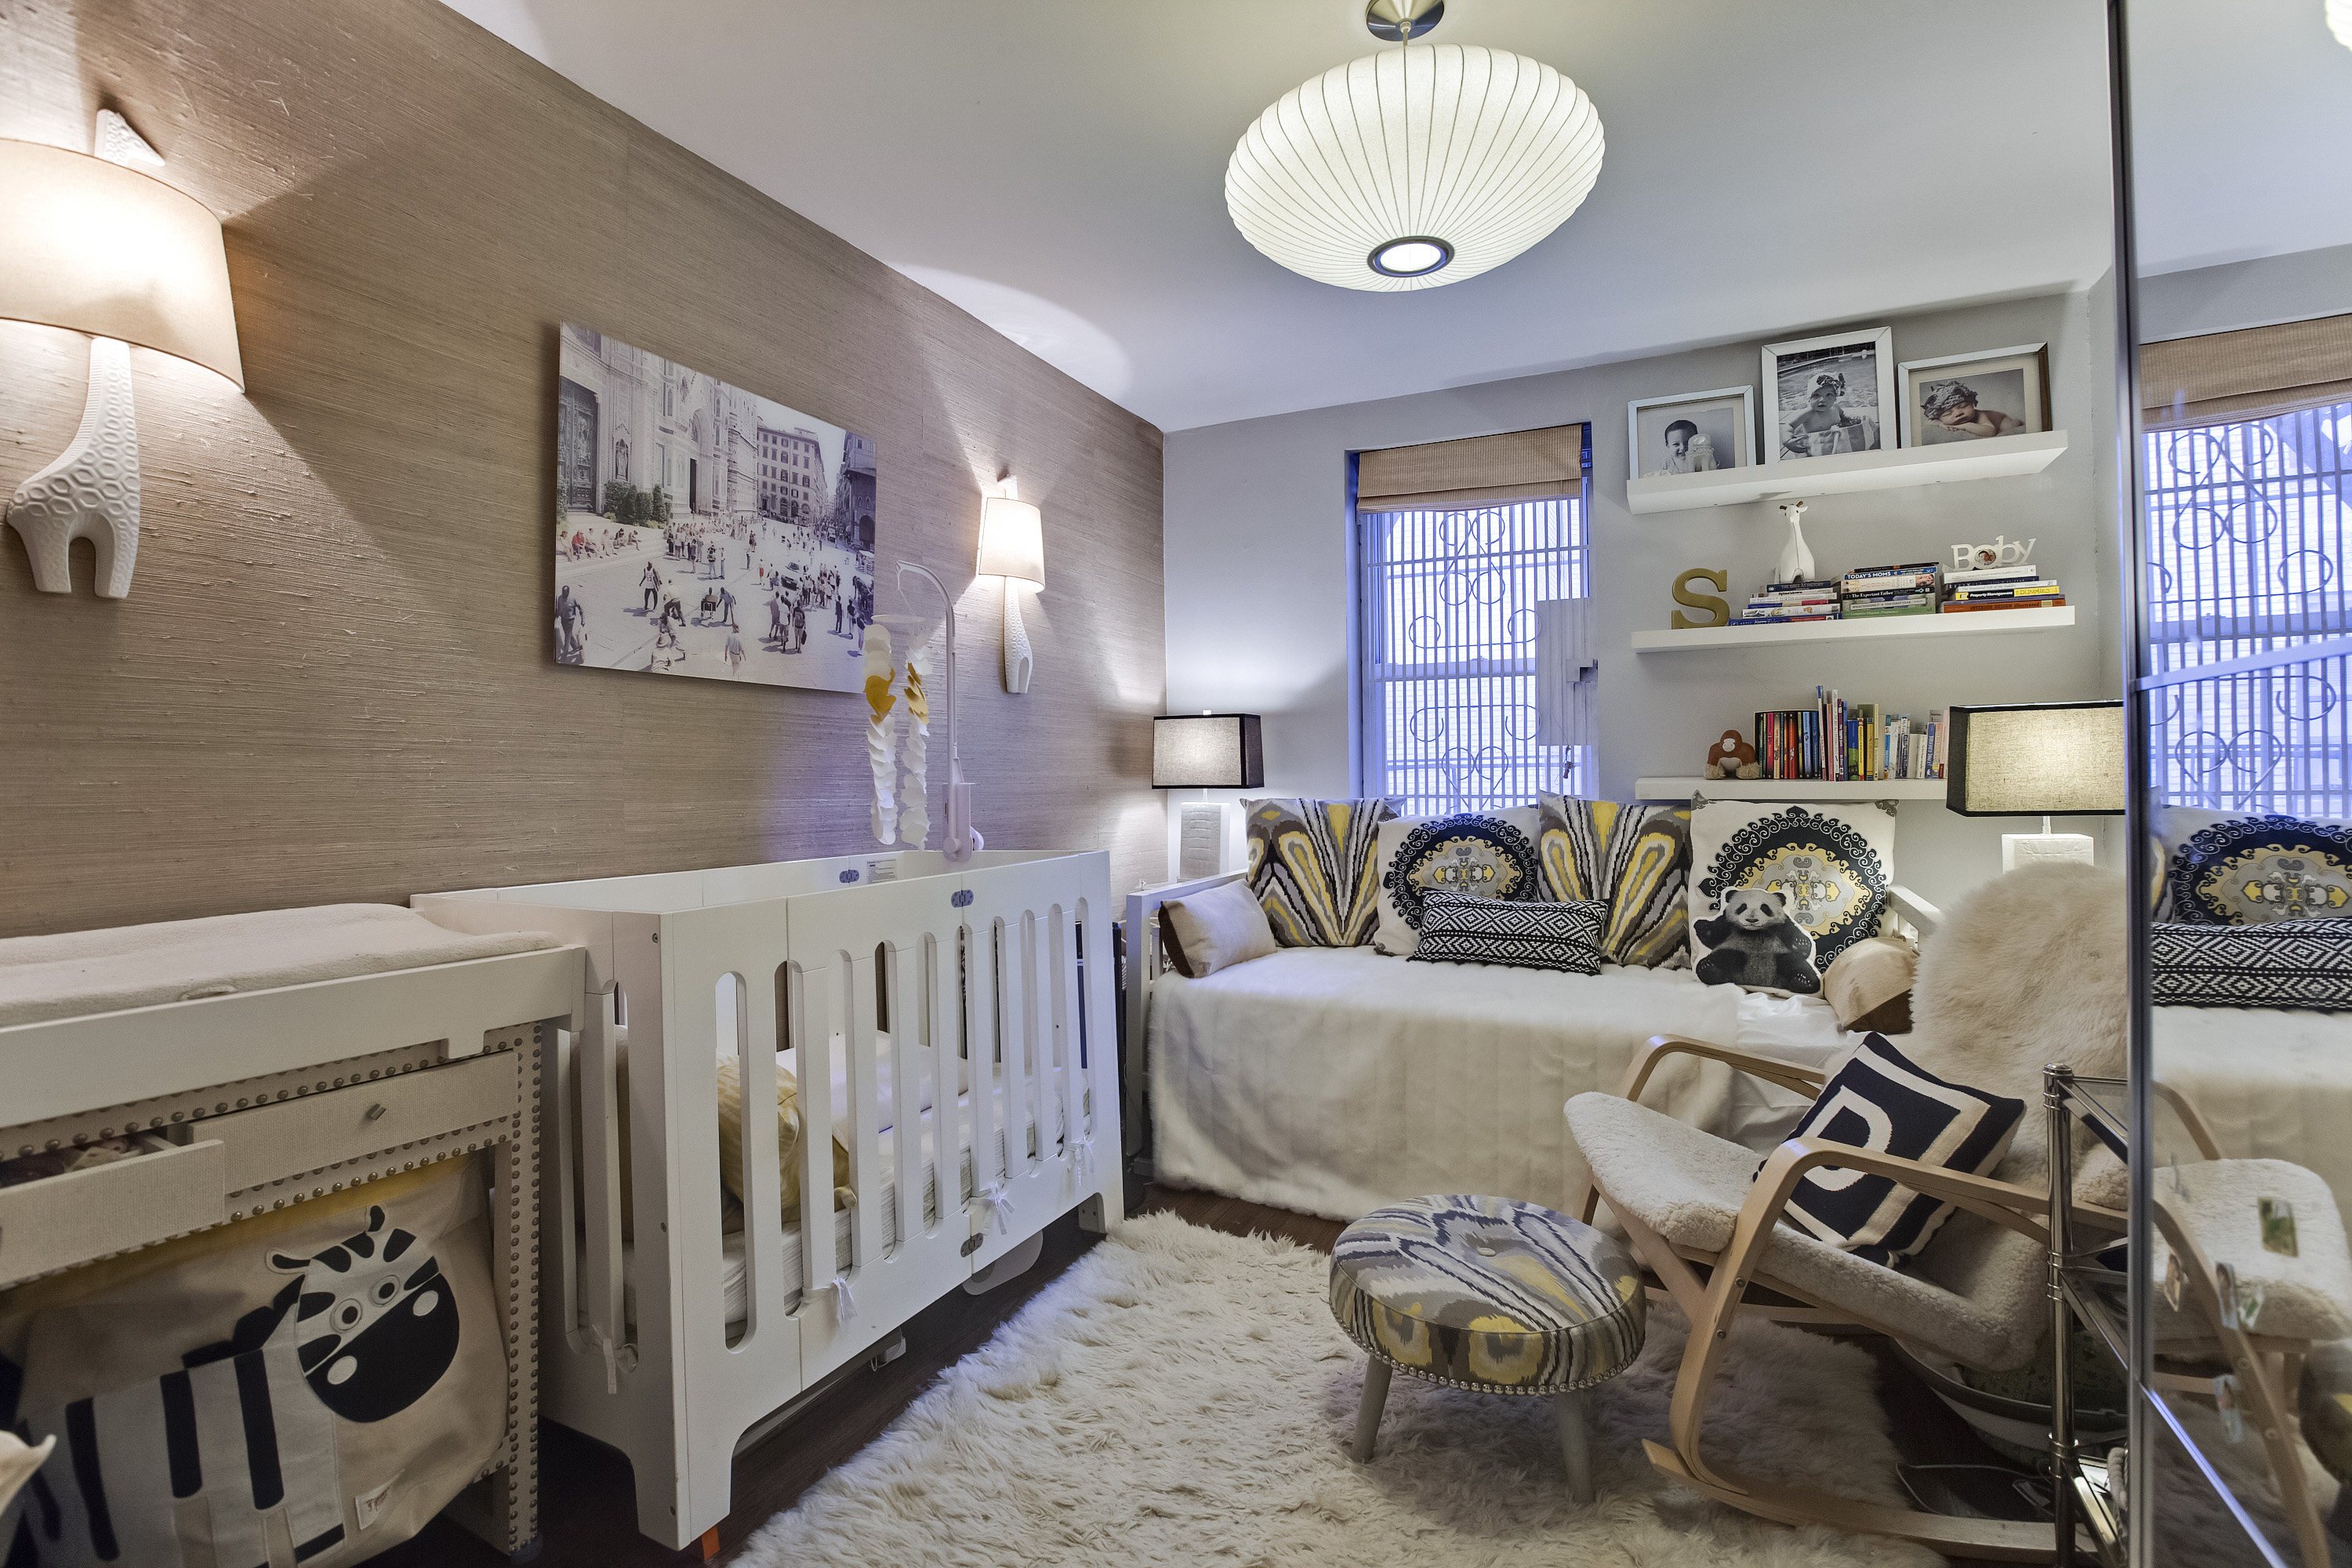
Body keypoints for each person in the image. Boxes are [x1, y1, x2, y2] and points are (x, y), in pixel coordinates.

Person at [1782, 371, 1877, 458]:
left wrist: (1850, 418)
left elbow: (1843, 416)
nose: (1822, 400)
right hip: (1816, 449)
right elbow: (1790, 425)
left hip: (1838, 443)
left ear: (1835, 397)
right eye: (1816, 395)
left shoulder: (1835, 407)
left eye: (1829, 395)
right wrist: (1787, 441)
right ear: (1809, 398)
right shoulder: (1808, 413)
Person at [1918, 379, 2024, 441]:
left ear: (1973, 404)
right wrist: (1940, 425)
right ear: (1938, 417)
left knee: (2008, 427)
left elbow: (1991, 431)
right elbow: (1927, 423)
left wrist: (1966, 426)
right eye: (1948, 414)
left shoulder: (1980, 415)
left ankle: (2016, 421)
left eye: (1964, 406)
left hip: (2001, 420)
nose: (1958, 413)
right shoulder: (1940, 420)